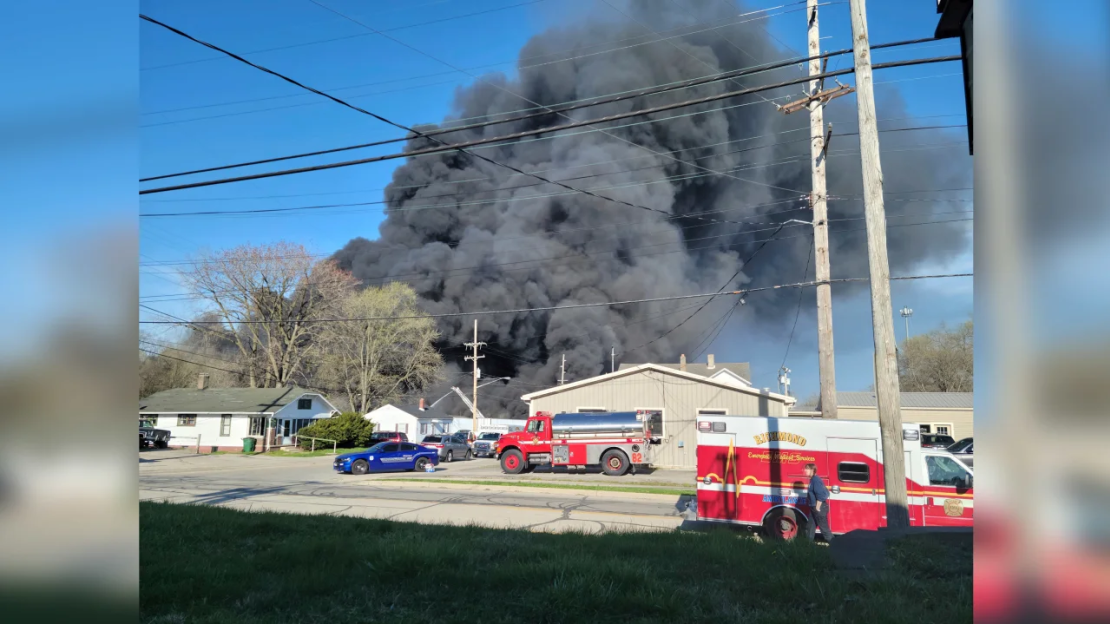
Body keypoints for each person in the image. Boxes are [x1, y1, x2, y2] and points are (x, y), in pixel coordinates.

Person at [804, 463, 833, 543]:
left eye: (807, 469)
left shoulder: (816, 480)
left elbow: (822, 494)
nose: (805, 470)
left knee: (825, 530)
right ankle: (807, 547)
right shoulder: (812, 480)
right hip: (813, 508)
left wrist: (817, 507)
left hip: (819, 508)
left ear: (812, 470)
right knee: (809, 528)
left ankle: (836, 547)